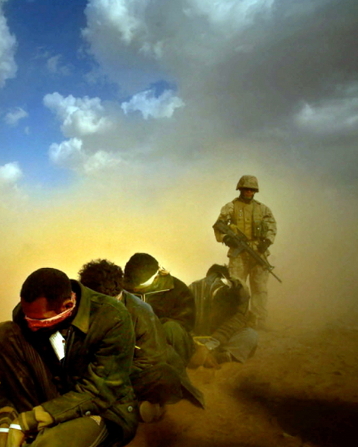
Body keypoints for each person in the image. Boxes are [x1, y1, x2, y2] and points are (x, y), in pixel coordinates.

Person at [0, 268, 138, 447]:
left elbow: (99, 392)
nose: (31, 326)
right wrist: (4, 420)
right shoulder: (28, 315)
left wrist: (29, 421)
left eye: (39, 321)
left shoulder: (112, 317)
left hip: (102, 406)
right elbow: (11, 376)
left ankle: (81, 438)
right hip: (57, 394)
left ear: (67, 306)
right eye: (27, 318)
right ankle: (47, 431)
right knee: (2, 333)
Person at [79, 259, 204, 423]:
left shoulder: (140, 312)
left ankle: (134, 407)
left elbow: (150, 359)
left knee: (165, 376)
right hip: (93, 374)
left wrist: (108, 374)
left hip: (129, 373)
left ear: (117, 296)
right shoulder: (79, 304)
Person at [213, 175, 277, 330]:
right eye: (245, 189)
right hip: (238, 253)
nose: (248, 191)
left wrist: (267, 242)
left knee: (259, 288)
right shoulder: (231, 207)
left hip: (258, 252)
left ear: (255, 191)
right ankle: (235, 320)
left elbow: (271, 227)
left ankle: (259, 321)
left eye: (251, 189)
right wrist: (227, 238)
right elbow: (218, 225)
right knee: (237, 287)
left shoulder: (263, 209)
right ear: (240, 189)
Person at [122, 253, 196, 366]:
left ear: (156, 277)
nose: (134, 288)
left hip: (166, 339)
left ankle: (180, 374)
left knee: (171, 328)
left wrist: (154, 327)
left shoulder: (177, 288)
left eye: (140, 286)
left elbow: (185, 324)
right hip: (136, 340)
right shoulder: (121, 288)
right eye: (131, 284)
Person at [189, 264, 259, 368]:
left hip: (200, 343)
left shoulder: (191, 287)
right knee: (251, 334)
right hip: (210, 343)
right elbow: (232, 326)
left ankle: (214, 357)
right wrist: (204, 348)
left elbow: (184, 323)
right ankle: (226, 357)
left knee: (250, 334)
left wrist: (205, 348)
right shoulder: (239, 288)